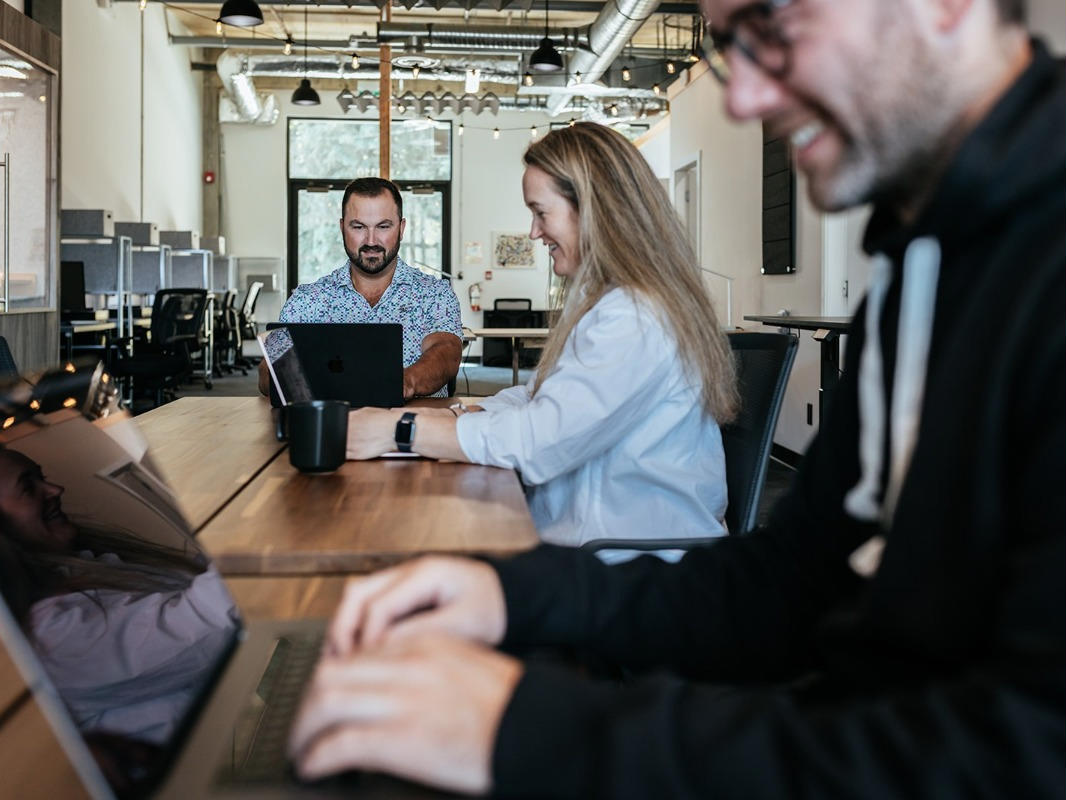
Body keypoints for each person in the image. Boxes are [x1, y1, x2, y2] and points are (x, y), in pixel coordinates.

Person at [287, 0, 1065, 795]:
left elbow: (1020, 756)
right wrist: (512, 594)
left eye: (773, 25)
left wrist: (531, 730)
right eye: (732, 47)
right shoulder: (923, 266)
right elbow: (788, 584)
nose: (744, 100)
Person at [345, 123, 738, 554]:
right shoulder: (608, 301)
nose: (534, 232)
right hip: (589, 545)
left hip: (626, 564)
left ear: (594, 211)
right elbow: (538, 397)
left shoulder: (635, 315)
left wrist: (400, 430)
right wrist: (455, 416)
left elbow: (539, 441)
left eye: (541, 212)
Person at [0, 447, 238, 747]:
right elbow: (205, 627)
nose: (54, 489)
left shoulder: (79, 565)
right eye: (27, 487)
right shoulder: (51, 638)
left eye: (41, 477)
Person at [258, 177, 462, 399]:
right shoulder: (308, 299)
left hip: (416, 428)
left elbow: (447, 351)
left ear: (401, 229)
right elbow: (267, 375)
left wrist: (403, 383)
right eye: (358, 227)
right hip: (333, 428)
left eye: (383, 226)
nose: (371, 240)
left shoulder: (435, 294)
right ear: (342, 228)